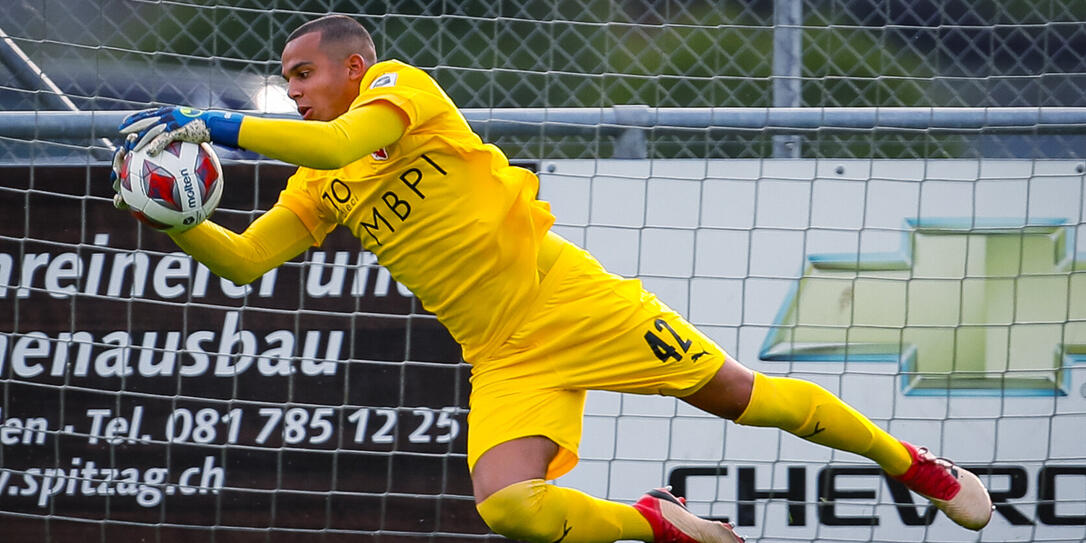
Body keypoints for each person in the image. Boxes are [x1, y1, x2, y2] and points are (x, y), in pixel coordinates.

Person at [110, 14, 994, 543]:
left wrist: (215, 126)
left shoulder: (398, 90)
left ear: (352, 66)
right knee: (514, 513)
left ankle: (913, 464)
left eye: (304, 74)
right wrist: (179, 222)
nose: (294, 89)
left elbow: (342, 138)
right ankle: (655, 522)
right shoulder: (319, 182)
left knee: (738, 394)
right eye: (286, 79)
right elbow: (249, 259)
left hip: (566, 298)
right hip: (501, 354)